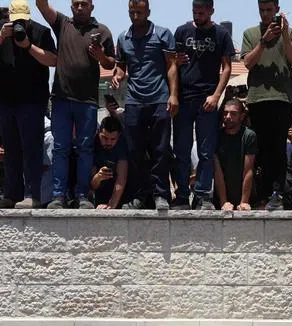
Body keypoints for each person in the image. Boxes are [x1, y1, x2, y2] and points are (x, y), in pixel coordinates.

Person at [34, 0, 115, 209]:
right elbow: (43, 7)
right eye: (76, 4)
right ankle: (58, 195)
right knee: (60, 148)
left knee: (85, 149)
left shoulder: (102, 30)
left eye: (84, 4)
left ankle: (82, 195)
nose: (80, 7)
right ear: (71, 7)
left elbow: (111, 64)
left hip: (87, 101)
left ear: (92, 7)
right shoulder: (62, 23)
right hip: (61, 98)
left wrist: (99, 55)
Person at [0, 0, 56, 209]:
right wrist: (0, 35)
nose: (18, 25)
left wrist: (29, 46)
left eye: (22, 21)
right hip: (6, 101)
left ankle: (33, 195)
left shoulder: (41, 32)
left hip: (32, 101)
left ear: (29, 17)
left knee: (32, 149)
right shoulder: (0, 31)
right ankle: (12, 194)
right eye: (15, 21)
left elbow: (52, 60)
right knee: (11, 149)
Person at [112, 0, 178, 211]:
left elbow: (171, 66)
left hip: (159, 98)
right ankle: (139, 195)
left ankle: (161, 194)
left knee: (160, 150)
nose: (136, 16)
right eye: (132, 12)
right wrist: (117, 76)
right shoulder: (123, 38)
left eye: (139, 12)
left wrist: (173, 95)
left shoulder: (163, 34)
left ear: (148, 12)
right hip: (133, 101)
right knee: (135, 151)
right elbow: (121, 67)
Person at [171, 0, 234, 209]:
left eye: (201, 12)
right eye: (195, 12)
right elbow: (172, 65)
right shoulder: (181, 31)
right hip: (185, 97)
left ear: (211, 11)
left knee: (206, 151)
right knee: (181, 149)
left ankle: (203, 195)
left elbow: (226, 67)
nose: (198, 16)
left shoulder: (221, 34)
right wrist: (174, 95)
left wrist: (216, 95)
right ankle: (181, 195)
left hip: (207, 98)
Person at [241, 0, 292, 211]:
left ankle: (278, 193)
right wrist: (264, 41)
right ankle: (262, 194)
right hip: (257, 99)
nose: (265, 15)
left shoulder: (289, 33)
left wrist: (283, 35)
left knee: (278, 150)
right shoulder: (250, 33)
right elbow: (247, 63)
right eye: (262, 10)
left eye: (269, 10)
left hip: (281, 99)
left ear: (277, 9)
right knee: (260, 149)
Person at [214, 100, 257, 211]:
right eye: (225, 113)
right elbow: (217, 171)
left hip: (245, 194)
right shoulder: (217, 136)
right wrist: (224, 202)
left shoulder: (248, 136)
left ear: (241, 116)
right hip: (221, 195)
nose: (228, 117)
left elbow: (248, 170)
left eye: (233, 113)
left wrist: (244, 201)